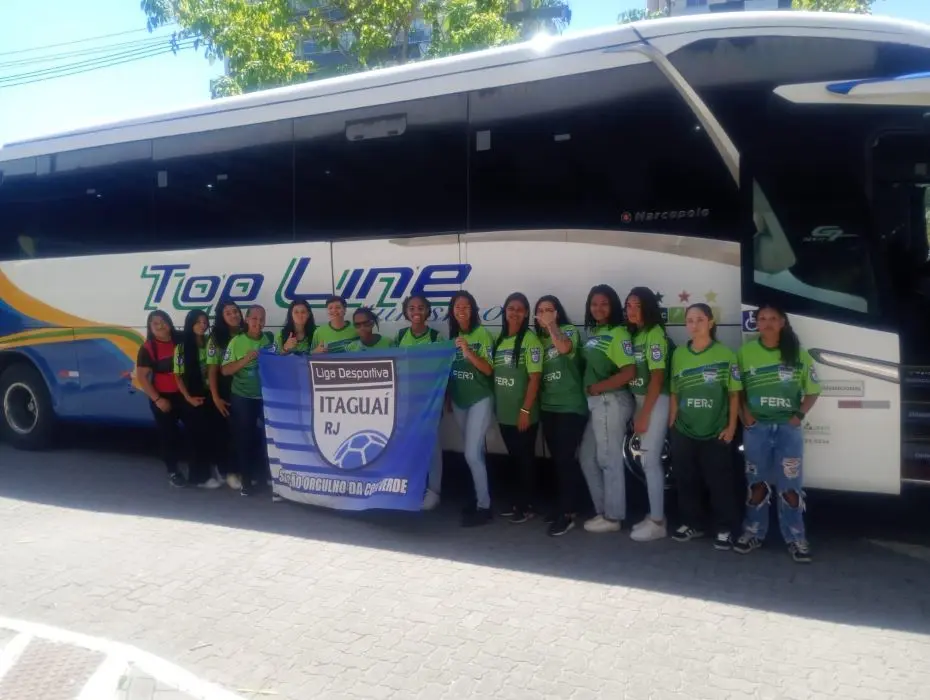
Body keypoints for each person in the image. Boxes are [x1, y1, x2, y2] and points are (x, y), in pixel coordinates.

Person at [734, 304, 820, 563]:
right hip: (756, 429)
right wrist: (745, 416)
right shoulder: (746, 353)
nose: (768, 323)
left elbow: (813, 390)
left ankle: (796, 537)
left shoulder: (799, 354)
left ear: (783, 322)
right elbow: (736, 389)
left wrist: (798, 417)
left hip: (787, 430)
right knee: (756, 485)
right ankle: (753, 532)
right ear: (756, 323)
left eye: (773, 318)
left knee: (790, 489)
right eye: (763, 318)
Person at [668, 304, 740, 550]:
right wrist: (673, 422)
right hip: (684, 429)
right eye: (689, 320)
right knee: (686, 480)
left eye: (699, 319)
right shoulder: (679, 354)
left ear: (710, 323)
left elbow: (733, 394)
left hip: (715, 430)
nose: (694, 324)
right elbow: (675, 391)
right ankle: (692, 524)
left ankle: (725, 528)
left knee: (719, 482)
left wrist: (731, 427)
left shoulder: (726, 355)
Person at [579, 285, 637, 533]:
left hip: (610, 400)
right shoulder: (595, 332)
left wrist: (597, 387)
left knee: (608, 459)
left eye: (604, 303)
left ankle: (613, 517)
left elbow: (629, 372)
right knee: (587, 458)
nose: (598, 308)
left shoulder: (618, 334)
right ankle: (603, 511)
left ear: (613, 306)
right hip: (597, 403)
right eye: (594, 303)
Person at [535, 295, 589, 537]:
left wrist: (552, 326)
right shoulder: (537, 340)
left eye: (549, 310)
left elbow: (565, 348)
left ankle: (567, 514)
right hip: (548, 407)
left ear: (557, 313)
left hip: (570, 406)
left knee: (566, 460)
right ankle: (566, 506)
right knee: (557, 460)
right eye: (541, 311)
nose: (545, 314)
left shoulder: (568, 331)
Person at [625, 286, 672, 542]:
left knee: (650, 461)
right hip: (642, 401)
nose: (631, 310)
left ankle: (657, 522)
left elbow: (657, 378)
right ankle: (654, 514)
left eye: (636, 305)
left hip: (656, 401)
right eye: (628, 305)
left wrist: (644, 413)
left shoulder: (654, 334)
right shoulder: (637, 334)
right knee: (646, 461)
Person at [493, 293, 543, 524]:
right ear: (505, 311)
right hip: (504, 413)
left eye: (520, 309)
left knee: (525, 460)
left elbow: (535, 378)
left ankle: (527, 506)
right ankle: (518, 503)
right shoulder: (500, 340)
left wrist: (525, 410)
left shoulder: (530, 340)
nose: (514, 312)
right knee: (514, 459)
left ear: (526, 314)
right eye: (511, 308)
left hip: (523, 415)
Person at [447, 290, 496, 527]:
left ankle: (484, 507)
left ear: (473, 310)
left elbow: (488, 370)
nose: (461, 310)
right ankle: (477, 498)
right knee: (474, 454)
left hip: (480, 399)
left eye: (466, 306)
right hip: (459, 401)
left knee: (470, 453)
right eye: (457, 307)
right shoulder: (452, 335)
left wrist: (468, 352)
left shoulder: (482, 334)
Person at [395, 295, 445, 511]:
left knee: (432, 448)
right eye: (412, 307)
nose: (416, 311)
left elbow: (444, 370)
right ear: (406, 312)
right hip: (407, 402)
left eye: (421, 307)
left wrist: (445, 400)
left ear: (427, 311)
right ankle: (414, 488)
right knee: (410, 447)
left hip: (430, 401)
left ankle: (434, 492)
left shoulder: (436, 337)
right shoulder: (399, 336)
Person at [221, 305, 274, 497]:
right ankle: (246, 481)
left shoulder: (269, 339)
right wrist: (245, 359)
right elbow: (225, 370)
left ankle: (265, 477)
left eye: (261, 319)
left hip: (265, 396)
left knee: (267, 438)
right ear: (247, 320)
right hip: (242, 397)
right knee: (244, 438)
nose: (258, 323)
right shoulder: (237, 341)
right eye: (254, 319)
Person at [136, 310, 186, 488]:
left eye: (163, 321)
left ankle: (200, 470)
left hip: (183, 395)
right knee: (168, 435)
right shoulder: (148, 348)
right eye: (155, 323)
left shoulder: (179, 340)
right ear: (150, 328)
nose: (160, 325)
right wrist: (158, 400)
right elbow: (142, 377)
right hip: (163, 397)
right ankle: (173, 471)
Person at [174, 309, 222, 489]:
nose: (203, 325)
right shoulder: (181, 348)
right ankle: (198, 478)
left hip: (208, 395)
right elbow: (177, 376)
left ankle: (210, 472)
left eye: (204, 322)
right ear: (190, 324)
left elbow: (212, 368)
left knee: (209, 436)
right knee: (196, 439)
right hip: (191, 398)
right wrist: (188, 398)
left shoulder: (210, 343)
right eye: (198, 322)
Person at [206, 300, 246, 490]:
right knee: (227, 434)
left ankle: (240, 470)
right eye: (228, 313)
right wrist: (215, 397)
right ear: (222, 317)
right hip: (224, 391)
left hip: (244, 389)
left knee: (242, 432)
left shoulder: (246, 333)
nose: (233, 315)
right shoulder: (215, 339)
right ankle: (229, 472)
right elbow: (212, 370)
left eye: (235, 311)